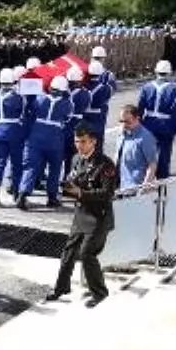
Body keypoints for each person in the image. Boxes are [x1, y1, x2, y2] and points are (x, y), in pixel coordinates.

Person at [45, 123, 119, 309]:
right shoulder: (77, 159)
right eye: (77, 141)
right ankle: (61, 288)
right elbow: (74, 181)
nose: (79, 145)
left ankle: (100, 293)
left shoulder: (105, 164)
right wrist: (67, 188)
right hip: (81, 214)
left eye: (83, 141)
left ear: (93, 141)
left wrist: (80, 193)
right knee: (68, 252)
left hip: (98, 217)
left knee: (87, 254)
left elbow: (107, 194)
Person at [17, 75, 74, 210]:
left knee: (30, 167)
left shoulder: (39, 98)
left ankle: (22, 194)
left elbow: (30, 111)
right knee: (55, 168)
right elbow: (67, 120)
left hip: (36, 135)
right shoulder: (68, 104)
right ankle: (52, 198)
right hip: (55, 137)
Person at [0, 68, 28, 207]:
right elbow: (22, 113)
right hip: (14, 129)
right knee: (17, 163)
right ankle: (16, 192)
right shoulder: (19, 97)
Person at [138, 60, 176, 180]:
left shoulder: (146, 87)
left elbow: (140, 108)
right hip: (165, 125)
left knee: (147, 151)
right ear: (169, 73)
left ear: (156, 71)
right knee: (164, 153)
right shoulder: (173, 89)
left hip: (149, 123)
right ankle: (162, 176)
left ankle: (144, 175)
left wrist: (139, 124)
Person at [113, 105, 158, 191]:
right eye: (121, 121)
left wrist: (144, 188)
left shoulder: (145, 137)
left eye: (127, 122)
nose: (124, 125)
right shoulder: (121, 135)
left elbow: (152, 165)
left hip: (136, 188)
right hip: (122, 186)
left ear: (137, 119)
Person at [84, 60, 113, 150]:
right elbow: (108, 97)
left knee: (84, 144)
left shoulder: (83, 85)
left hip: (84, 116)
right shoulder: (105, 88)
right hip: (98, 117)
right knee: (97, 144)